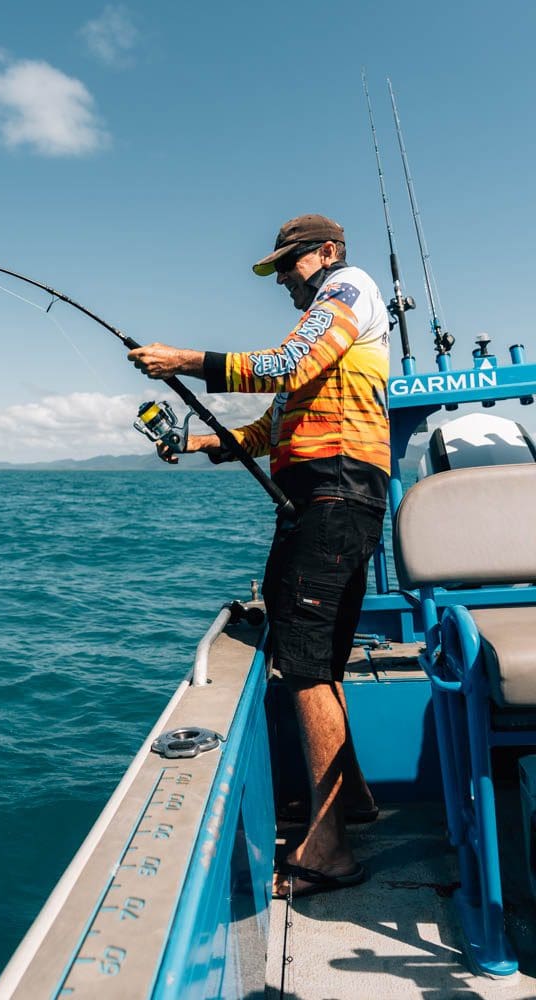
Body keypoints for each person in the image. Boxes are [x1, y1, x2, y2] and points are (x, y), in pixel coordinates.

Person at [128, 214, 390, 899]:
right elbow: (263, 431)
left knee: (303, 667)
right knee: (321, 660)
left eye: (288, 264)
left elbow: (283, 364)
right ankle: (352, 799)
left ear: (327, 252)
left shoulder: (346, 290)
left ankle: (328, 851)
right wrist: (193, 444)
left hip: (332, 495)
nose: (280, 280)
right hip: (327, 500)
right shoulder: (326, 341)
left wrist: (184, 360)